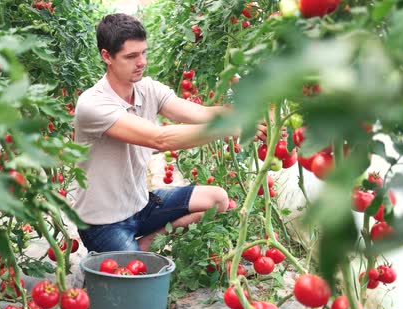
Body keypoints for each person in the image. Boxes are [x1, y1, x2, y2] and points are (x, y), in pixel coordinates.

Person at [73, 13, 266, 253]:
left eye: (144, 52)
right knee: (136, 281)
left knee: (217, 199)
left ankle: (143, 246)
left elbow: (199, 114)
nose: (141, 61)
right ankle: (114, 257)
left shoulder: (148, 89)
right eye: (131, 56)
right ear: (107, 57)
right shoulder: (93, 104)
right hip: (102, 223)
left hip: (142, 206)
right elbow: (159, 138)